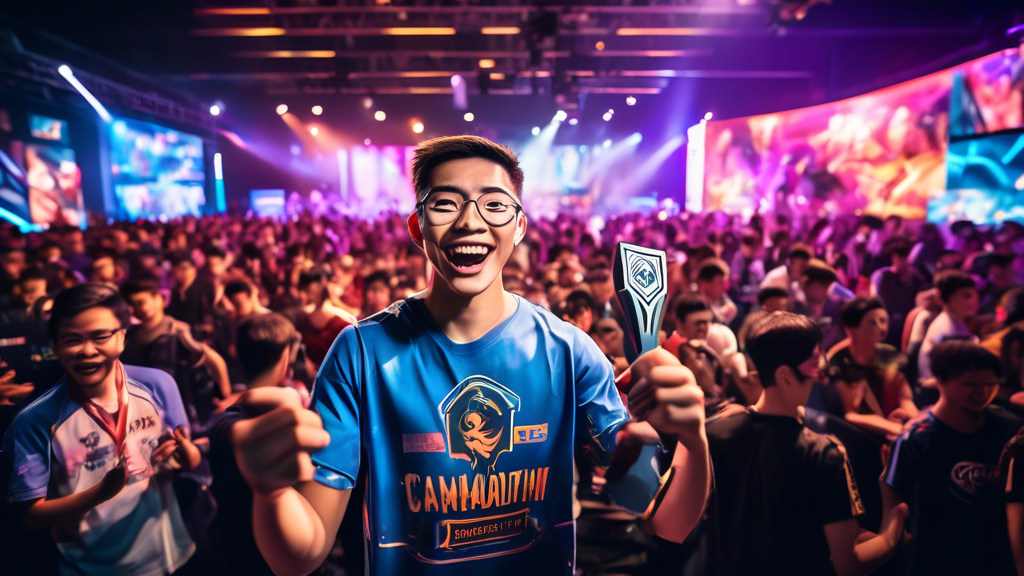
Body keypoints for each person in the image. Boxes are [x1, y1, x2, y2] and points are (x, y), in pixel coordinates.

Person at [227, 135, 710, 576]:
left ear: (519, 227)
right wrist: (270, 493)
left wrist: (693, 438)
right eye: (445, 204)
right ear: (418, 227)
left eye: (494, 205)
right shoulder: (360, 354)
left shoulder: (568, 351)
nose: (469, 222)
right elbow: (301, 555)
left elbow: (663, 519)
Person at [0, 283, 200, 575]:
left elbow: (183, 463)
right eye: (72, 339)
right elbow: (29, 516)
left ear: (122, 337)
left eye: (100, 336)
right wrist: (101, 493)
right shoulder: (35, 420)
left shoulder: (158, 385)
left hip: (172, 554)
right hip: (91, 567)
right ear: (54, 346)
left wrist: (188, 455)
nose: (87, 350)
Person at [703, 311, 907, 575]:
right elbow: (849, 563)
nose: (822, 372)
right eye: (814, 362)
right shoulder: (823, 452)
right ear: (785, 375)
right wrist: (892, 523)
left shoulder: (715, 432)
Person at [882, 341, 1023, 575]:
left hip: (1000, 559)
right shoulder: (913, 440)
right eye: (970, 384)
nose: (983, 392)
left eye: (991, 384)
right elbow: (893, 507)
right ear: (939, 380)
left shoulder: (1010, 428)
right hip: (936, 561)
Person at [205, 314, 309, 576]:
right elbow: (286, 399)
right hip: (276, 547)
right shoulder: (287, 408)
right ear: (286, 358)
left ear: (236, 353)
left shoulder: (223, 421)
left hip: (231, 543)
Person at [120, 278, 232, 426]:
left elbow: (215, 361)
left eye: (141, 302)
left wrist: (226, 399)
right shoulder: (131, 333)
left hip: (176, 408)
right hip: (142, 408)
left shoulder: (176, 331)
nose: (136, 308)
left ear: (159, 299)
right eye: (131, 304)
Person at [828, 297, 918, 438]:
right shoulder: (841, 361)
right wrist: (893, 427)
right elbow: (851, 414)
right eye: (872, 322)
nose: (881, 328)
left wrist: (913, 419)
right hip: (857, 434)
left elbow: (905, 398)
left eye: (883, 321)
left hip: (896, 426)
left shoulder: (889, 354)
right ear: (852, 329)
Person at [917, 270, 979, 387]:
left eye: (976, 295)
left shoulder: (956, 321)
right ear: (948, 297)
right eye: (967, 296)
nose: (975, 300)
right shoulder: (947, 331)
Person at [870, 238, 927, 349]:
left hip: (907, 328)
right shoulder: (881, 275)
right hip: (886, 326)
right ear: (894, 257)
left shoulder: (917, 279)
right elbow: (874, 299)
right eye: (901, 257)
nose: (905, 261)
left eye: (907, 257)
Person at [792, 259, 847, 351]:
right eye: (824, 286)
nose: (826, 293)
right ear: (807, 282)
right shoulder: (795, 303)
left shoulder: (824, 303)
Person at [696, 259, 737, 324]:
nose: (724, 287)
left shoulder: (722, 298)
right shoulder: (695, 304)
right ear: (704, 284)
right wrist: (720, 314)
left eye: (724, 283)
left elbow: (730, 305)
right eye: (719, 283)